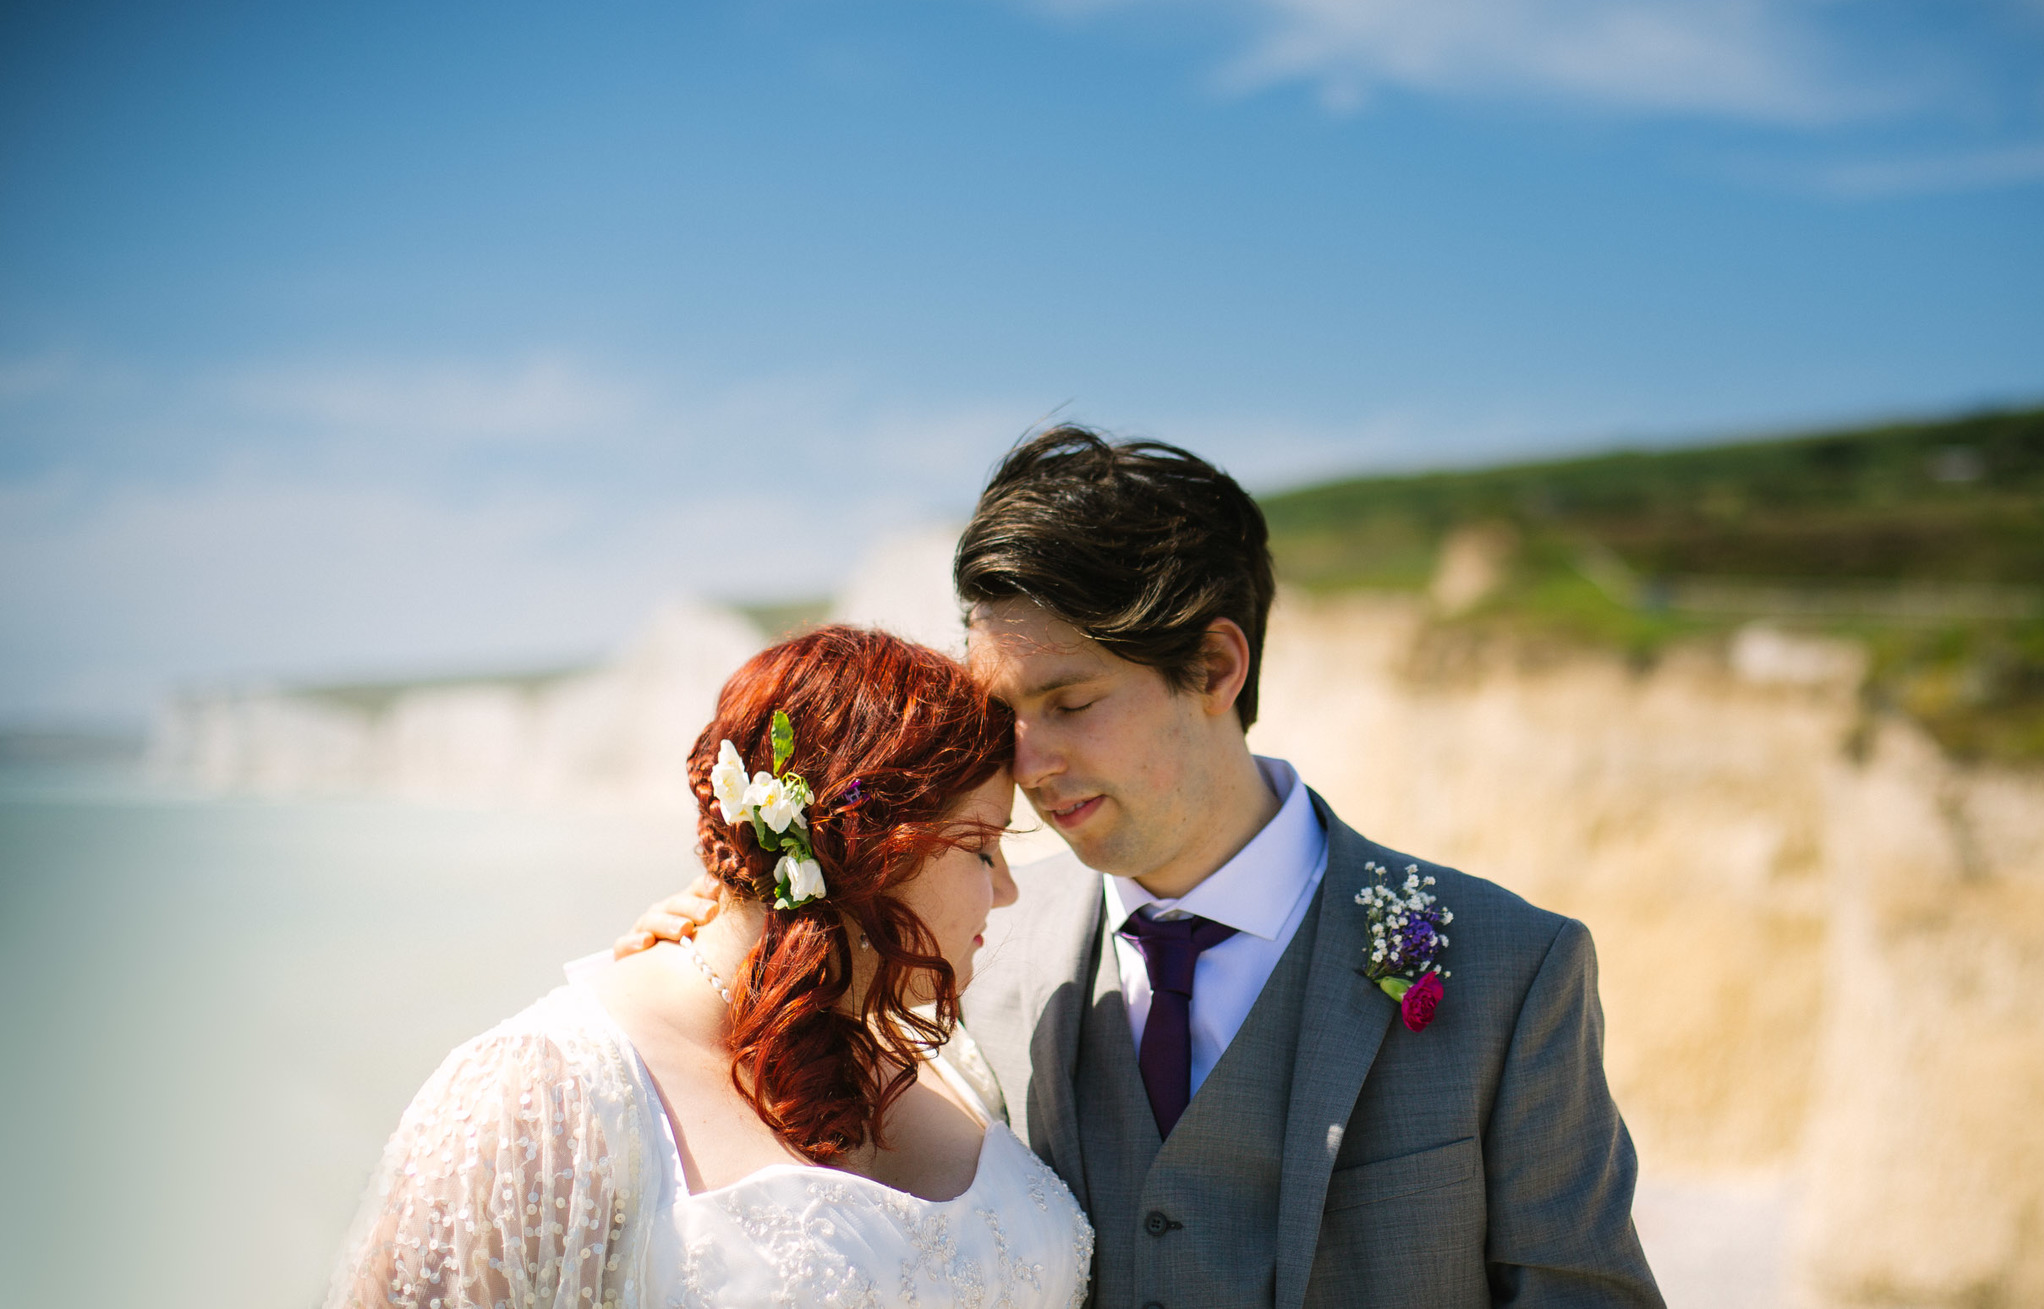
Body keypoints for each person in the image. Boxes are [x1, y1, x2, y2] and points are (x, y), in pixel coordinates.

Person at [629, 427, 1663, 1309]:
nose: (1027, 765)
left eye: (1070, 703)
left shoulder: (1511, 971)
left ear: (1214, 667)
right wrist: (720, 941)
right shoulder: (957, 969)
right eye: (1007, 714)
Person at [328, 626, 1094, 1309]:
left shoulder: (953, 1048)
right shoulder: (544, 1096)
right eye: (982, 846)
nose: (1007, 889)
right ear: (868, 845)